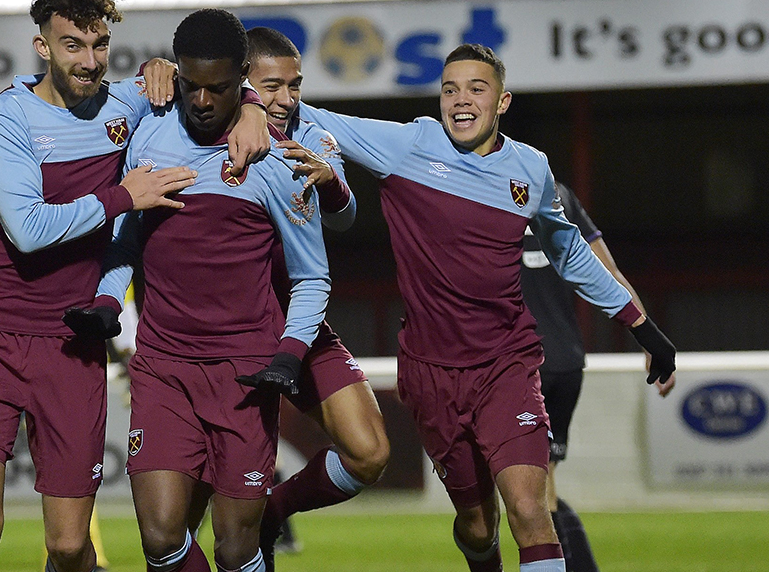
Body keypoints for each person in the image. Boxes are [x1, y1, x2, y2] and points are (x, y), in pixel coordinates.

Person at [288, 44, 677, 572]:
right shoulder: (407, 145)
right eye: (451, 89)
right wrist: (249, 104)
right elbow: (307, 114)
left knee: (530, 511)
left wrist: (642, 327)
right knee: (477, 525)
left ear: (503, 101)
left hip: (507, 366)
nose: (462, 100)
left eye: (477, 88)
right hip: (432, 375)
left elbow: (571, 254)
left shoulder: (530, 168)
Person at [0, 0, 270, 572]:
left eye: (98, 46)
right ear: (42, 46)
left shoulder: (130, 102)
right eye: (72, 46)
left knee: (69, 547)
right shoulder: (7, 117)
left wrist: (251, 107)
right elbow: (30, 230)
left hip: (72, 343)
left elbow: (207, 85)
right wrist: (123, 196)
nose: (88, 62)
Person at [71, 8, 332, 572]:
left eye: (219, 88)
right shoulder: (147, 135)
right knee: (162, 537)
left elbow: (313, 277)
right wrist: (107, 301)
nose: (203, 101)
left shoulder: (279, 161)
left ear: (243, 79)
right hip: (164, 368)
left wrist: (289, 353)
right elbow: (125, 241)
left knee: (238, 547)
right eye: (192, 85)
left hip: (245, 372)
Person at [244, 27, 390, 570]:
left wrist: (332, 181)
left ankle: (272, 513)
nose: (287, 98)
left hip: (300, 319)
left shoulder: (315, 132)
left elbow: (346, 216)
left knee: (369, 452)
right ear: (241, 83)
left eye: (295, 85)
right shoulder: (202, 132)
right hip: (225, 327)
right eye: (272, 86)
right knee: (191, 510)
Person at [521, 182, 676, 572]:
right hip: (566, 362)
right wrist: (648, 338)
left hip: (522, 364)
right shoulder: (559, 194)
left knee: (531, 496)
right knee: (541, 486)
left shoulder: (477, 188)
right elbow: (609, 270)